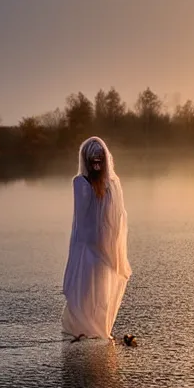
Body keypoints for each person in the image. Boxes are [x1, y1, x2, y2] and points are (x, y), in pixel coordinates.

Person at [62, 136, 132, 339]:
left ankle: (96, 329)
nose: (96, 162)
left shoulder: (112, 184)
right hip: (86, 247)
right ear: (86, 160)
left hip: (102, 246)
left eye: (100, 158)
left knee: (101, 291)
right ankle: (82, 329)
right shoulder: (80, 183)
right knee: (83, 291)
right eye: (92, 159)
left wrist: (111, 247)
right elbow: (82, 220)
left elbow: (117, 217)